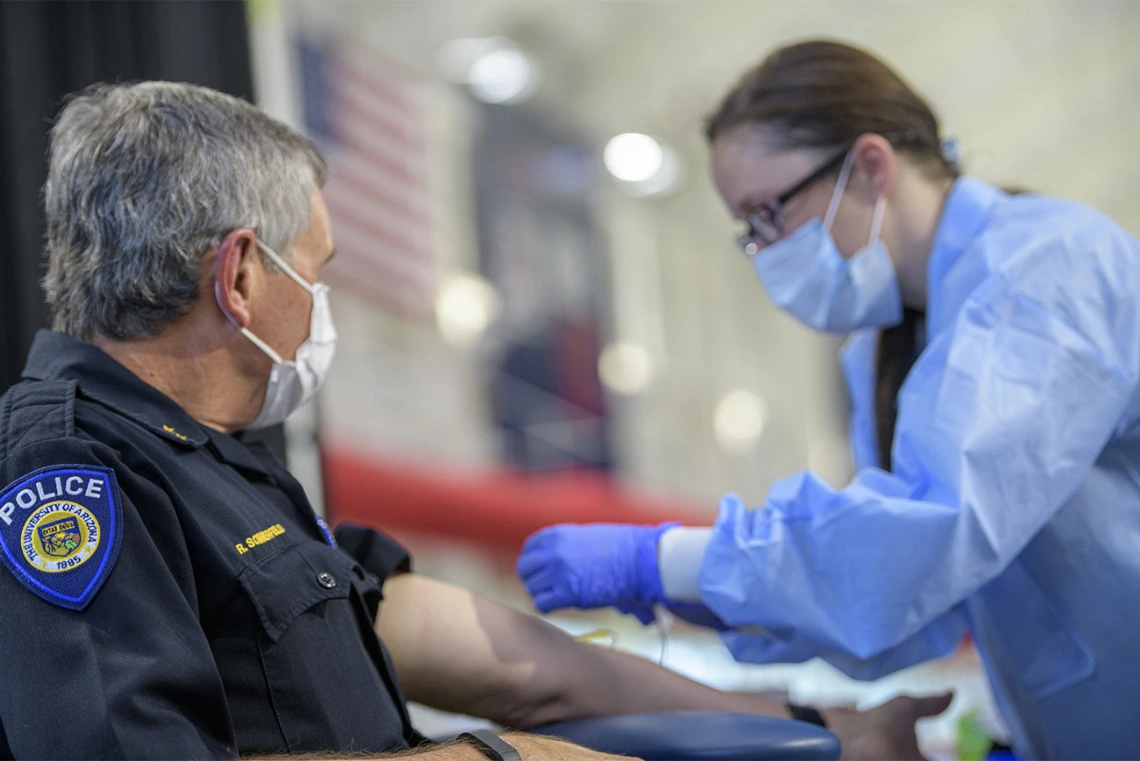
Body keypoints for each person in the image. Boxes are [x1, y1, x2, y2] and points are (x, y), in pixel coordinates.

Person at [0, 81, 944, 760]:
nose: (322, 306)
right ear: (241, 276)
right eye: (316, 272)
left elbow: (529, 671)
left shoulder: (225, 470)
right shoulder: (71, 473)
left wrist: (808, 725)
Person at [517, 39, 1140, 760]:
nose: (766, 248)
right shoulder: (886, 348)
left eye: (768, 214)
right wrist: (723, 597)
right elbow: (904, 605)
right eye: (749, 232)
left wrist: (672, 558)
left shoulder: (1047, 267)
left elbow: (929, 531)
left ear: (870, 166)